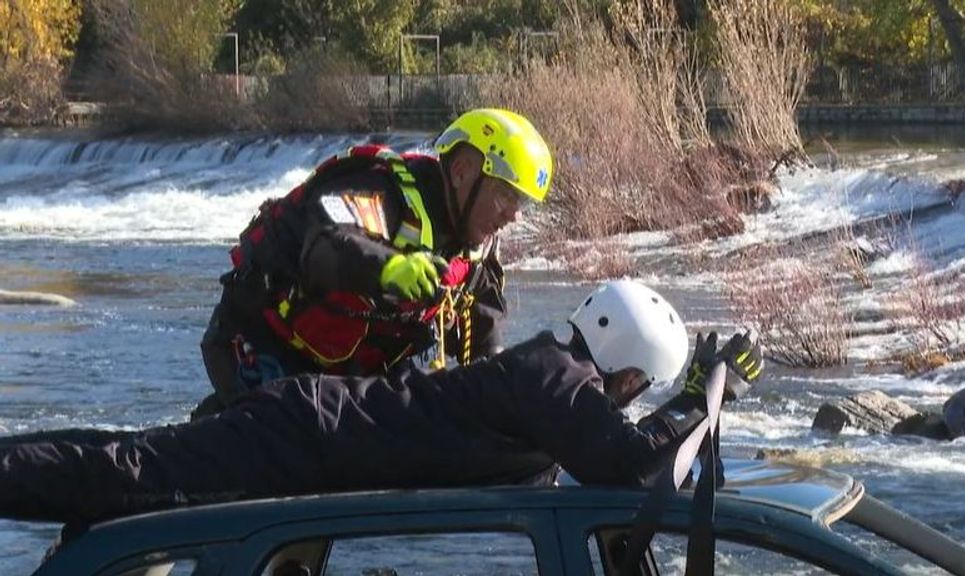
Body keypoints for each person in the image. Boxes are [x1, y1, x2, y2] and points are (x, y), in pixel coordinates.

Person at [0, 280, 763, 526]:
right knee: (124, 476)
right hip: (305, 440)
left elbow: (623, 465)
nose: (629, 403)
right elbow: (633, 473)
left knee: (125, 459)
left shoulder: (552, 375)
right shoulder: (553, 383)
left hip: (311, 428)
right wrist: (701, 400)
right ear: (626, 374)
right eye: (638, 390)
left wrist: (697, 402)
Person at [195, 108, 554, 417]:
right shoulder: (380, 188)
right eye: (506, 195)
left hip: (347, 376)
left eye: (521, 203)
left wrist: (511, 399)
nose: (513, 216)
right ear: (461, 171)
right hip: (260, 347)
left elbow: (484, 350)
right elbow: (326, 245)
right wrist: (388, 268)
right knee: (279, 436)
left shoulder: (476, 258)